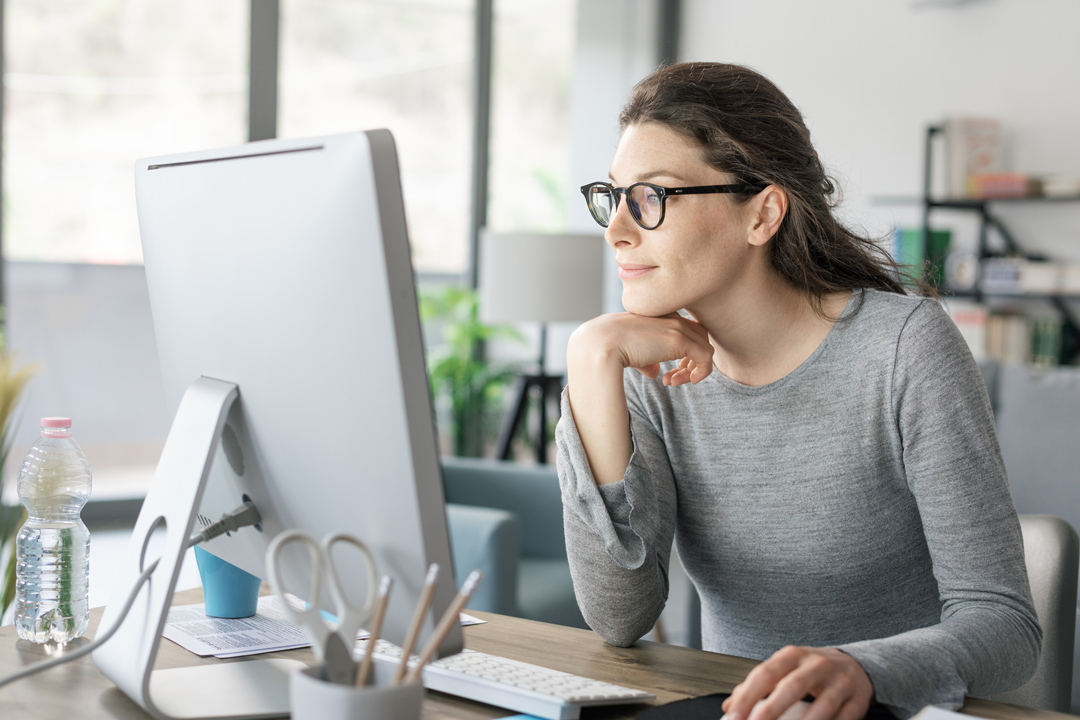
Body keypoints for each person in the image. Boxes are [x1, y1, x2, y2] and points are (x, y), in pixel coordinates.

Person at [555, 61, 1040, 720]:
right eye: (613, 197)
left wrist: (860, 668)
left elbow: (1006, 626)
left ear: (763, 214)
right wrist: (589, 361)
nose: (617, 229)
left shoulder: (905, 350)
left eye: (652, 197)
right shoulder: (650, 372)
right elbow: (620, 615)